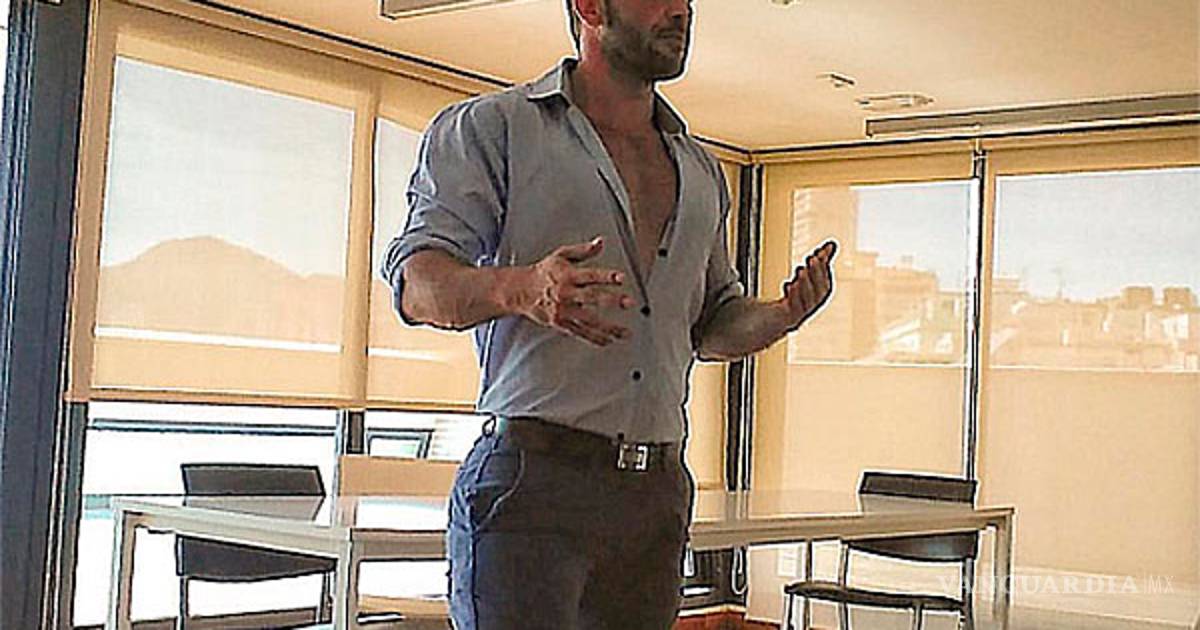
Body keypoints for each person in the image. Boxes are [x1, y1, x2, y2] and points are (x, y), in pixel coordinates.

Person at [381, 0, 836, 627]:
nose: (681, 10)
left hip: (655, 496)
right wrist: (523, 289)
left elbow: (712, 323)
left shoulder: (701, 170)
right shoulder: (493, 128)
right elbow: (417, 285)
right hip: (532, 485)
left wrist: (780, 316)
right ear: (591, 7)